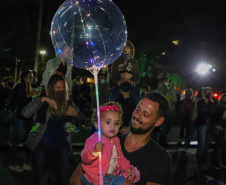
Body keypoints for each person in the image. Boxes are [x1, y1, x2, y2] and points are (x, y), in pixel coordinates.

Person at [70, 91, 172, 185]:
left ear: (158, 121)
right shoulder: (109, 140)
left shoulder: (160, 158)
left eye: (145, 114)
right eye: (137, 109)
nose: (137, 116)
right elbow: (76, 178)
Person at [22, 74, 84, 185]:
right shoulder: (43, 101)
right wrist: (42, 99)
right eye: (58, 88)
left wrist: (76, 114)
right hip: (42, 146)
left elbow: (82, 117)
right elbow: (25, 113)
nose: (61, 90)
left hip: (61, 146)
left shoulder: (68, 101)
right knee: (41, 178)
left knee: (64, 178)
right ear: (51, 88)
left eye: (62, 88)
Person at [81, 101, 140, 185]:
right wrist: (94, 150)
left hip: (110, 176)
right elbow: (84, 158)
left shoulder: (116, 140)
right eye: (108, 122)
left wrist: (127, 168)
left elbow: (120, 158)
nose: (113, 126)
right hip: (96, 178)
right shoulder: (94, 139)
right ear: (97, 124)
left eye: (116, 123)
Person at [8, 69, 40, 172]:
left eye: (32, 77)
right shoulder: (19, 87)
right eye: (29, 77)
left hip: (28, 117)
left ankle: (27, 162)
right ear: (24, 77)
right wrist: (32, 94)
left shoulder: (28, 87)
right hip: (19, 118)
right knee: (16, 140)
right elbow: (19, 101)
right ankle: (12, 163)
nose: (32, 79)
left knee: (30, 140)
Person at [194, 87, 215, 171]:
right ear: (204, 93)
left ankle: (203, 162)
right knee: (202, 144)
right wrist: (207, 114)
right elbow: (200, 112)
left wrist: (207, 113)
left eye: (210, 92)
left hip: (209, 125)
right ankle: (198, 162)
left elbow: (213, 113)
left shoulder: (212, 102)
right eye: (207, 92)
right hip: (201, 124)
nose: (209, 93)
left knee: (206, 145)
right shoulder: (200, 102)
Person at [156, 77, 176, 147]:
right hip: (164, 111)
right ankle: (162, 141)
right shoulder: (160, 89)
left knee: (168, 127)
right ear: (162, 82)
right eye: (165, 81)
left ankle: (164, 139)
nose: (167, 82)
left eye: (168, 81)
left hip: (171, 111)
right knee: (164, 127)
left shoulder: (170, 89)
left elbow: (174, 99)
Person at [210, 93, 226, 168]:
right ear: (221, 99)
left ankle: (223, 161)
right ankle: (215, 161)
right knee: (218, 144)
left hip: (223, 127)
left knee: (222, 145)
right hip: (219, 126)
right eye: (224, 98)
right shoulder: (219, 107)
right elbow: (215, 117)